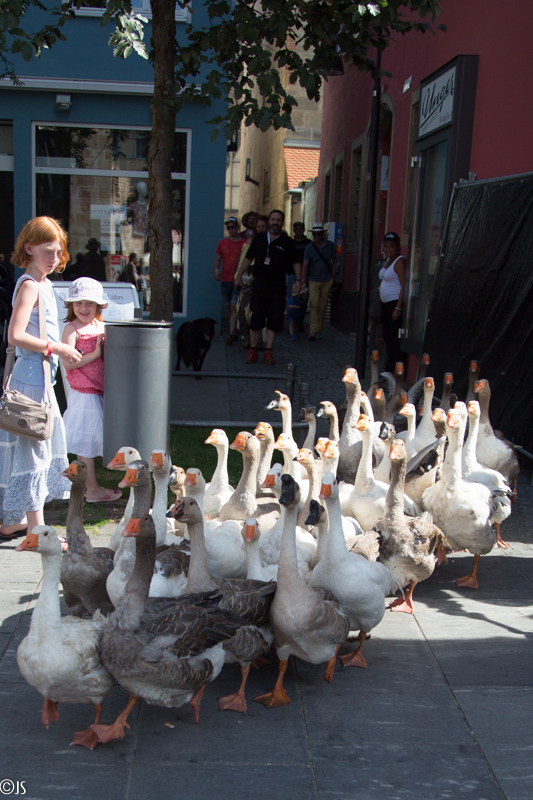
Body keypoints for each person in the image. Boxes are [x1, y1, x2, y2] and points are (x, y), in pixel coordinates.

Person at [0, 216, 82, 541]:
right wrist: (59, 347)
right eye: (48, 250)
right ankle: (35, 531)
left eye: (58, 250)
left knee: (35, 450)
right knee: (33, 453)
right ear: (29, 248)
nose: (54, 256)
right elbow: (15, 334)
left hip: (41, 382)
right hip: (30, 383)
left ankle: (14, 523)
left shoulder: (45, 284)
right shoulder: (30, 285)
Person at [62, 278, 121, 503]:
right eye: (78, 303)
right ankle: (93, 490)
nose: (84, 308)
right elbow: (68, 362)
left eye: (89, 303)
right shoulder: (71, 328)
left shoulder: (101, 326)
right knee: (86, 443)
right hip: (84, 393)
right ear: (71, 306)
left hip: (100, 391)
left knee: (94, 440)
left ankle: (90, 486)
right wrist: (95, 354)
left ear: (99, 305)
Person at [235, 209, 300, 365]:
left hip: (277, 286)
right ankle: (253, 351)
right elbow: (248, 258)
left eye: (278, 220)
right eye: (273, 219)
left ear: (282, 223)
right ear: (269, 221)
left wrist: (298, 280)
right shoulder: (259, 239)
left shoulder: (287, 242)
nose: (275, 222)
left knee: (274, 318)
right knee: (256, 316)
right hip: (259, 284)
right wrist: (238, 276)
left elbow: (297, 261)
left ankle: (268, 352)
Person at [235, 215, 268, 348]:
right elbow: (244, 260)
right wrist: (238, 277)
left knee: (259, 312)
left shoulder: (271, 242)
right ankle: (248, 335)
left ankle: (258, 340)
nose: (260, 229)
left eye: (263, 226)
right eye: (258, 226)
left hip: (263, 281)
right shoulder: (249, 242)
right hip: (248, 280)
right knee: (242, 310)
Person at [302, 223, 337, 341]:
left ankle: (318, 330)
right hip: (313, 280)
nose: (316, 236)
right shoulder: (309, 247)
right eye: (314, 234)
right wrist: (303, 280)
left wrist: (333, 276)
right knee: (314, 305)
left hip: (327, 280)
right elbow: (305, 265)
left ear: (322, 234)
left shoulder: (330, 246)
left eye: (318, 234)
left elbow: (334, 260)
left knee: (322, 307)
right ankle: (312, 331)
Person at [214, 216, 245, 345]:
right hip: (225, 279)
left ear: (237, 227)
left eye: (233, 227)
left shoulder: (243, 243)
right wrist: (216, 270)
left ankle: (231, 333)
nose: (231, 229)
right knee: (229, 307)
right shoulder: (223, 243)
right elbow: (218, 259)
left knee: (234, 307)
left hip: (237, 279)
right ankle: (234, 329)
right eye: (229, 228)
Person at [378, 231, 406, 371]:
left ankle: (395, 368)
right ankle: (389, 366)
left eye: (391, 246)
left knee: (394, 338)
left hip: (394, 304)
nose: (388, 249)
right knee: (387, 336)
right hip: (385, 304)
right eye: (386, 246)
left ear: (397, 247)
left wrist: (398, 308)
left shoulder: (400, 261)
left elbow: (404, 286)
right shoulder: (388, 260)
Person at [287, 221, 310, 340]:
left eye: (301, 228)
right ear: (294, 230)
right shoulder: (291, 243)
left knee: (303, 300)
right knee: (292, 299)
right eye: (297, 228)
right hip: (292, 274)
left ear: (304, 229)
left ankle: (300, 321)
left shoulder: (308, 243)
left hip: (306, 275)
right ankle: (291, 323)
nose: (299, 230)